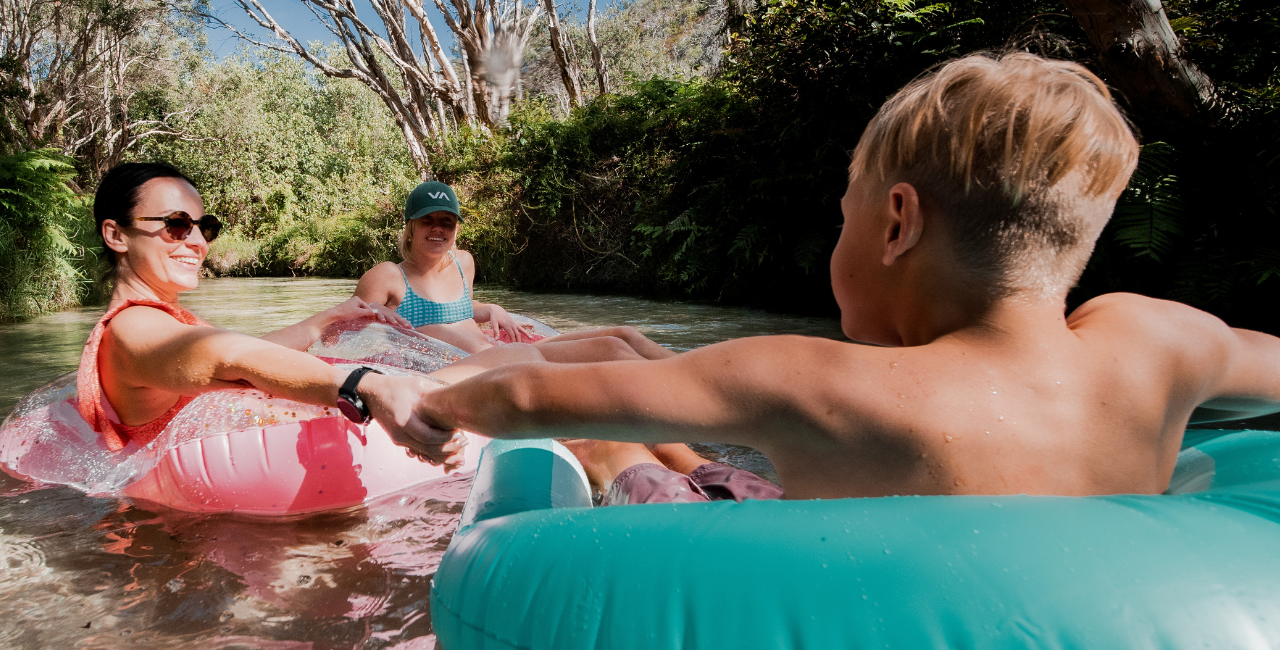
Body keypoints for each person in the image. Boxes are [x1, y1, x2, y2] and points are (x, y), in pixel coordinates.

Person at [412, 52, 1280, 503]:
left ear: (897, 222)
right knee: (666, 402)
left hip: (807, 571)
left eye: (845, 216)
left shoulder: (825, 383)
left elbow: (523, 401)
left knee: (607, 440)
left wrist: (422, 399)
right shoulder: (1159, 346)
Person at [82, 162, 462, 468]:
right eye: (176, 225)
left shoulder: (162, 321)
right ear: (117, 235)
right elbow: (230, 357)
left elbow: (248, 354)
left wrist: (327, 318)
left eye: (205, 227)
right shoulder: (132, 327)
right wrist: (367, 386)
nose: (198, 242)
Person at [352, 181, 674, 360]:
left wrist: (490, 308)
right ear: (410, 225)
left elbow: (460, 309)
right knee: (611, 350)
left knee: (624, 335)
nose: (438, 229)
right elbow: (344, 332)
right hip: (471, 368)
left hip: (498, 354)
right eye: (428, 220)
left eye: (446, 221)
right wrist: (374, 314)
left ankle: (693, 374)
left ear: (456, 227)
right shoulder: (388, 276)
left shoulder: (464, 263)